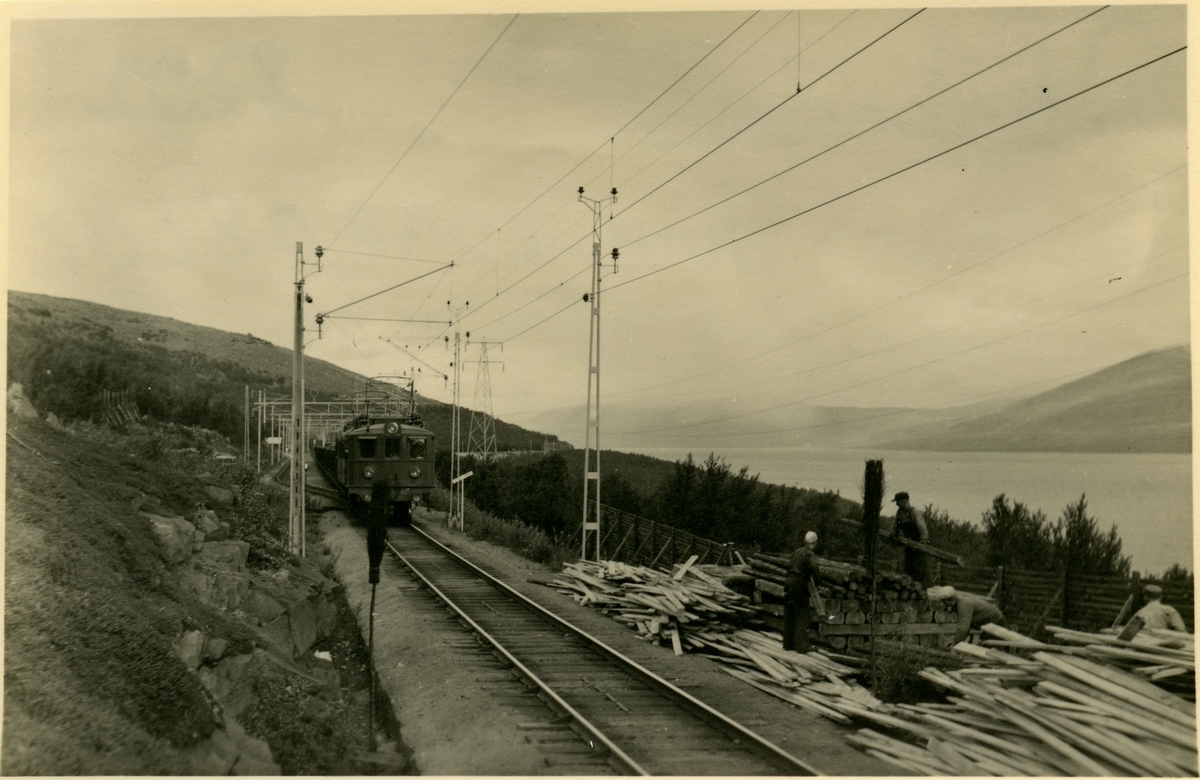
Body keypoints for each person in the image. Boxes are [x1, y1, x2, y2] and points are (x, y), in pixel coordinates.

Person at [783, 531, 821, 652]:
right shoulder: (809, 554)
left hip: (789, 583)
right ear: (814, 543)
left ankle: (788, 644)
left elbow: (788, 567)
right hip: (799, 585)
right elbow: (815, 569)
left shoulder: (797, 552)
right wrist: (818, 583)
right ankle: (801, 646)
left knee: (790, 614)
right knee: (802, 615)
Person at [928, 585, 1007, 644]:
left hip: (996, 623)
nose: (942, 604)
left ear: (949, 600)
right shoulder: (958, 603)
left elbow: (963, 629)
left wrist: (955, 646)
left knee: (991, 650)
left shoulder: (964, 605)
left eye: (943, 601)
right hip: (988, 624)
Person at [892, 491, 933, 588]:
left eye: (898, 502)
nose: (896, 504)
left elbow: (922, 529)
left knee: (920, 569)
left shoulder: (914, 512)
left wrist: (922, 543)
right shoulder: (899, 513)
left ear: (904, 501)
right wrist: (893, 535)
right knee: (909, 568)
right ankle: (910, 589)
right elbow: (895, 526)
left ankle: (923, 589)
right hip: (909, 544)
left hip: (918, 545)